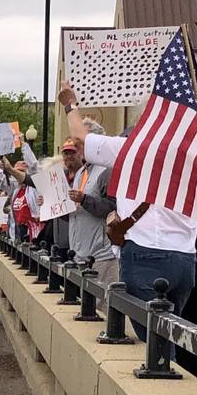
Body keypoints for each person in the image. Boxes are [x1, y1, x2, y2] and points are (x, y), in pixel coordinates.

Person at [58, 81, 197, 342]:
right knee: (172, 333)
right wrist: (194, 102)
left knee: (154, 339)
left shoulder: (132, 148)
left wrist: (70, 104)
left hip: (145, 253)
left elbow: (80, 138)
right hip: (185, 257)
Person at [67, 122, 119, 293]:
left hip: (101, 256)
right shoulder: (82, 172)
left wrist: (84, 199)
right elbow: (76, 213)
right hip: (81, 253)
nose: (77, 146)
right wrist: (55, 208)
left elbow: (113, 208)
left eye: (80, 142)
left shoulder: (106, 170)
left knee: (102, 308)